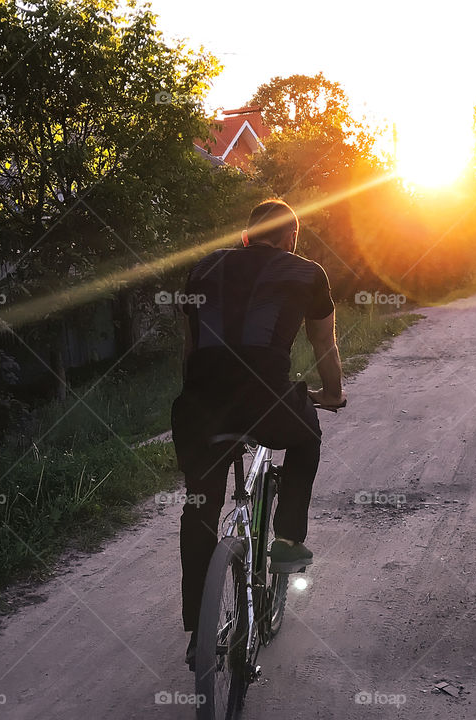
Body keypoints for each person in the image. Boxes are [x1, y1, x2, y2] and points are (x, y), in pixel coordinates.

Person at [170, 198, 346, 670]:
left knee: (199, 507)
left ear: (246, 235)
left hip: (200, 406)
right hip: (266, 400)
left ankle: (197, 634)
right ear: (291, 236)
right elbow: (323, 343)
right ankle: (287, 540)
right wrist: (331, 392)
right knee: (306, 438)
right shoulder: (306, 271)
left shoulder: (204, 268)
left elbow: (190, 351)